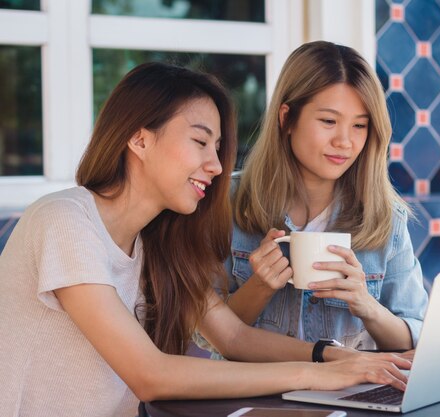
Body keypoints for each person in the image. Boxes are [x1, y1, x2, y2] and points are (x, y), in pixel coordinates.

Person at [0, 62, 411, 417]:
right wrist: (319, 374)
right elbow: (151, 376)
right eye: (200, 142)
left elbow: (233, 336)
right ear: (139, 139)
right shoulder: (65, 220)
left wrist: (339, 357)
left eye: (217, 148)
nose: (215, 166)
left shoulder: (159, 241)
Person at [216, 41, 429, 352]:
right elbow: (207, 335)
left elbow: (415, 336)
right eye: (329, 121)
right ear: (287, 119)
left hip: (346, 395)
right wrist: (259, 286)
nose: (344, 142)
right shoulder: (227, 202)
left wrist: (367, 306)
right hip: (253, 394)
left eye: (359, 125)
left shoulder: (385, 218)